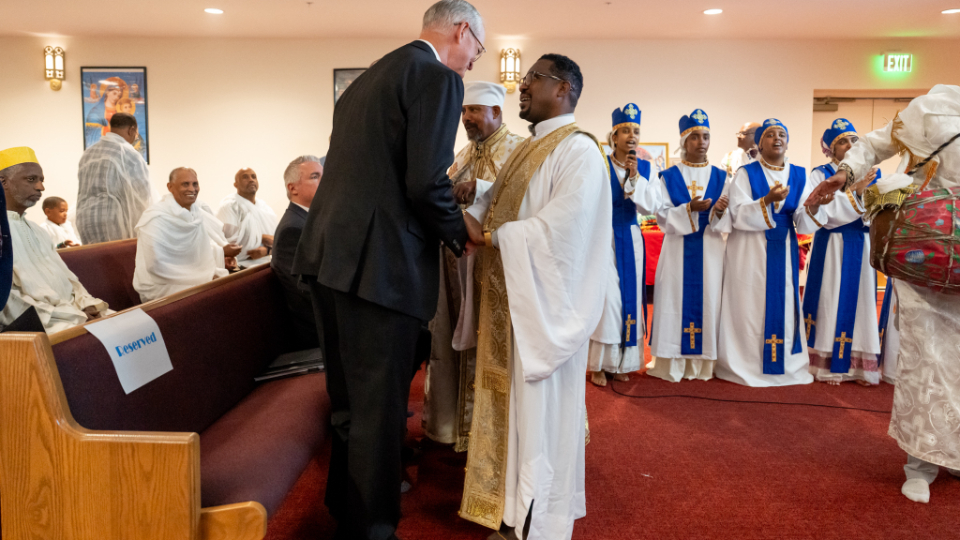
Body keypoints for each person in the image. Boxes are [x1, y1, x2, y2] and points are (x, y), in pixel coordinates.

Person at [290, 1, 482, 538]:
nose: (475, 59)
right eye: (478, 47)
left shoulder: (365, 80)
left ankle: (346, 509)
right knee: (379, 407)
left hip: (327, 257)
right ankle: (372, 529)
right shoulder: (437, 77)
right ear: (461, 30)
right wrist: (457, 232)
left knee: (349, 401)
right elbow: (425, 182)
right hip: (380, 268)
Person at [458, 53, 610, 540]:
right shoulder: (530, 147)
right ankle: (511, 512)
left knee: (539, 419)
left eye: (532, 79)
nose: (521, 87)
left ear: (563, 88)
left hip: (543, 310)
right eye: (523, 81)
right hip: (512, 304)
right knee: (512, 416)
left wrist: (492, 237)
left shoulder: (579, 150)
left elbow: (565, 231)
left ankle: (538, 521)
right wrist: (474, 202)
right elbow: (505, 201)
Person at [805, 84, 960, 504]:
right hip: (927, 248)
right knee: (927, 358)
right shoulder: (932, 107)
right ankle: (920, 465)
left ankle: (955, 453)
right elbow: (874, 143)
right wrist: (844, 174)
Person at [424, 80, 524, 450]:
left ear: (496, 111)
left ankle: (496, 437)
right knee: (453, 342)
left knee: (495, 347)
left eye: (475, 111)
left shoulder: (519, 152)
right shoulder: (463, 154)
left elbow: (526, 198)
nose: (466, 117)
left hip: (498, 267)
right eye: (464, 111)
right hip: (457, 267)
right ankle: (457, 430)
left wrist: (482, 189)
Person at [714, 119, 828, 387]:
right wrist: (766, 201)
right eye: (770, 135)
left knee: (783, 302)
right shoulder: (745, 173)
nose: (777, 138)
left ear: (787, 143)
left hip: (783, 248)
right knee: (748, 303)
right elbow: (736, 214)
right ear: (760, 143)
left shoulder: (799, 174)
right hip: (749, 250)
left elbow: (802, 219)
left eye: (782, 134)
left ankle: (785, 365)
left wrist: (814, 207)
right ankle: (745, 363)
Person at [647, 109, 728, 382]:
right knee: (674, 299)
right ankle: (671, 362)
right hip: (677, 249)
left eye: (705, 136)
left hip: (710, 249)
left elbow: (731, 218)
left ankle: (703, 364)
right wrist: (688, 209)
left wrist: (719, 211)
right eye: (694, 137)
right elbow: (660, 215)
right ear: (684, 141)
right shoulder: (668, 176)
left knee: (709, 300)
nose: (701, 142)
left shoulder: (722, 177)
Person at [801, 119, 881, 386]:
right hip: (832, 246)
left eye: (854, 140)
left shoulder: (872, 172)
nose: (850, 145)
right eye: (843, 142)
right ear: (831, 149)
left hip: (861, 243)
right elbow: (825, 214)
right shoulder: (821, 174)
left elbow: (876, 213)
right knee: (830, 298)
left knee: (861, 303)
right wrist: (855, 193)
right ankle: (825, 363)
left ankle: (859, 366)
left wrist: (864, 198)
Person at [587, 103, 660, 387]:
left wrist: (634, 178)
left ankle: (621, 362)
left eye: (636, 131)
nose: (632, 136)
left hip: (631, 236)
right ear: (614, 136)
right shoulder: (599, 163)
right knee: (609, 301)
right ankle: (599, 364)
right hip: (603, 237)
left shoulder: (646, 168)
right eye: (626, 130)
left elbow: (650, 207)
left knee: (630, 298)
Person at [0, 147, 110, 333]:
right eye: (31, 179)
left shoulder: (38, 231)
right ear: (3, 182)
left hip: (72, 314)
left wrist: (86, 304)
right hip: (38, 323)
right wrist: (74, 315)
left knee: (126, 324)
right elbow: (8, 302)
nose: (41, 187)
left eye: (41, 180)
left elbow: (69, 278)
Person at [133, 168, 241, 303]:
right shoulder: (155, 217)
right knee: (215, 292)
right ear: (170, 187)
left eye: (195, 184)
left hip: (191, 276)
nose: (192, 189)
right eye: (185, 184)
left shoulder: (195, 213)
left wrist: (219, 257)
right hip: (160, 283)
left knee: (232, 285)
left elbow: (200, 250)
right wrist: (201, 278)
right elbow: (156, 266)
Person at [76, 112, 152, 245]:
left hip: (85, 223)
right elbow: (143, 194)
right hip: (114, 224)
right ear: (131, 130)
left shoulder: (88, 153)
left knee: (93, 258)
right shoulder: (127, 153)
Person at [272, 155, 323, 350]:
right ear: (292, 188)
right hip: (317, 332)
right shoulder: (292, 228)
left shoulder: (309, 220)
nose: (324, 182)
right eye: (315, 176)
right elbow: (305, 291)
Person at [216, 168, 277, 267]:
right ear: (236, 184)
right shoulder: (229, 207)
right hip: (241, 267)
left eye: (254, 177)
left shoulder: (266, 209)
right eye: (245, 177)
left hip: (268, 264)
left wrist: (267, 250)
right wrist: (261, 238)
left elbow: (279, 242)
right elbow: (231, 245)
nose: (251, 180)